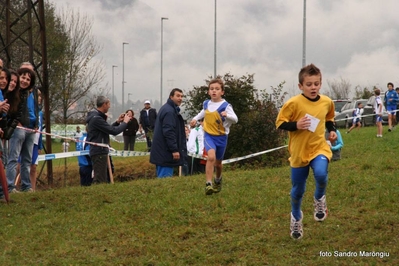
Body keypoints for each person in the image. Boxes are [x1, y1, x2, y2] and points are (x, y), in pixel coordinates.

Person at [275, 63, 336, 239]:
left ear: (320, 84)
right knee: (298, 191)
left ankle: (319, 199)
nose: (313, 87)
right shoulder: (293, 103)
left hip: (319, 148)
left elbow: (329, 117)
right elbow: (280, 123)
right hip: (299, 153)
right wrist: (296, 125)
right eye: (309, 84)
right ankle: (296, 217)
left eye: (316, 83)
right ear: (301, 86)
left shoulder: (326, 102)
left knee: (321, 174)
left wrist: (331, 130)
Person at [190, 78, 238, 195]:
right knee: (210, 157)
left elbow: (235, 119)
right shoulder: (207, 103)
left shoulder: (226, 105)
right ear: (208, 92)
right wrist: (195, 119)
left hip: (221, 137)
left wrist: (227, 115)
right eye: (211, 89)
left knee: (218, 164)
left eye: (217, 89)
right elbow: (203, 112)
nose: (214, 91)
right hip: (209, 135)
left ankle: (218, 179)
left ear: (222, 92)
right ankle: (208, 184)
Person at [6, 67, 38, 193]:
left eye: (28, 79)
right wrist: (15, 122)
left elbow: (35, 109)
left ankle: (26, 186)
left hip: (31, 129)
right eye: (23, 77)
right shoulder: (13, 92)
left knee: (27, 159)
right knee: (13, 158)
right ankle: (10, 186)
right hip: (18, 128)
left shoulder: (30, 93)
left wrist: (35, 124)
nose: (25, 81)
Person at [86, 96, 130, 184]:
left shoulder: (97, 117)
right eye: (109, 104)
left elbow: (107, 129)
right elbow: (114, 131)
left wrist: (117, 122)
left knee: (107, 177)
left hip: (102, 151)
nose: (109, 106)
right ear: (104, 104)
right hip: (99, 152)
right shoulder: (96, 119)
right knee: (100, 180)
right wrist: (125, 123)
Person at [149, 88, 187, 178]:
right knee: (164, 182)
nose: (180, 98)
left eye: (181, 96)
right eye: (178, 96)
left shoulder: (167, 108)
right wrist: (174, 149)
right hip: (165, 153)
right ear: (171, 97)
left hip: (162, 152)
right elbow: (169, 132)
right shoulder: (169, 111)